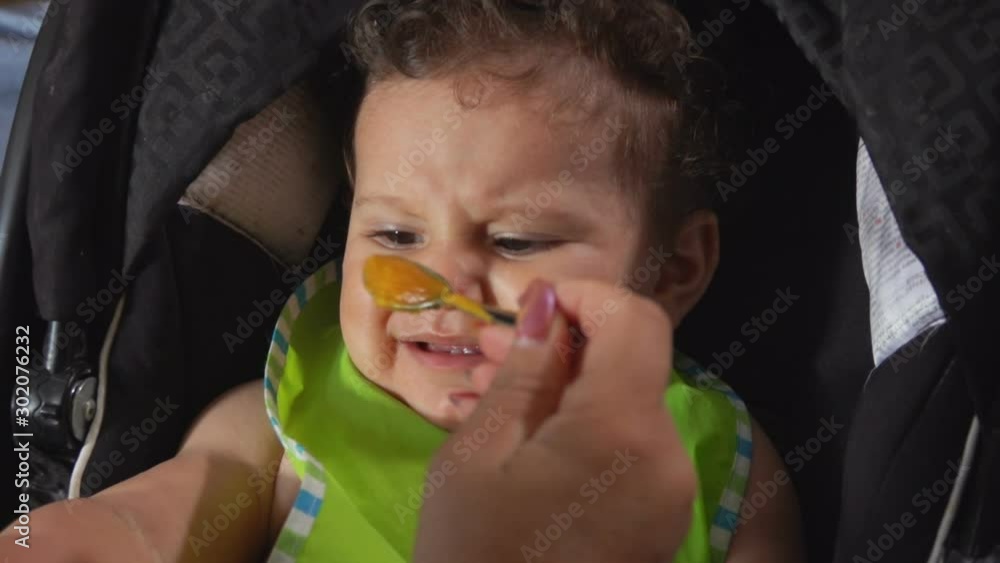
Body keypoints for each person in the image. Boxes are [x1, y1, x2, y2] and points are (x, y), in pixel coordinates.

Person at [1, 1, 802, 561]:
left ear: (676, 269)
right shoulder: (294, 408)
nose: (438, 283)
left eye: (517, 240)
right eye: (395, 234)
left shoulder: (712, 457)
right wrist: (103, 531)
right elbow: (173, 509)